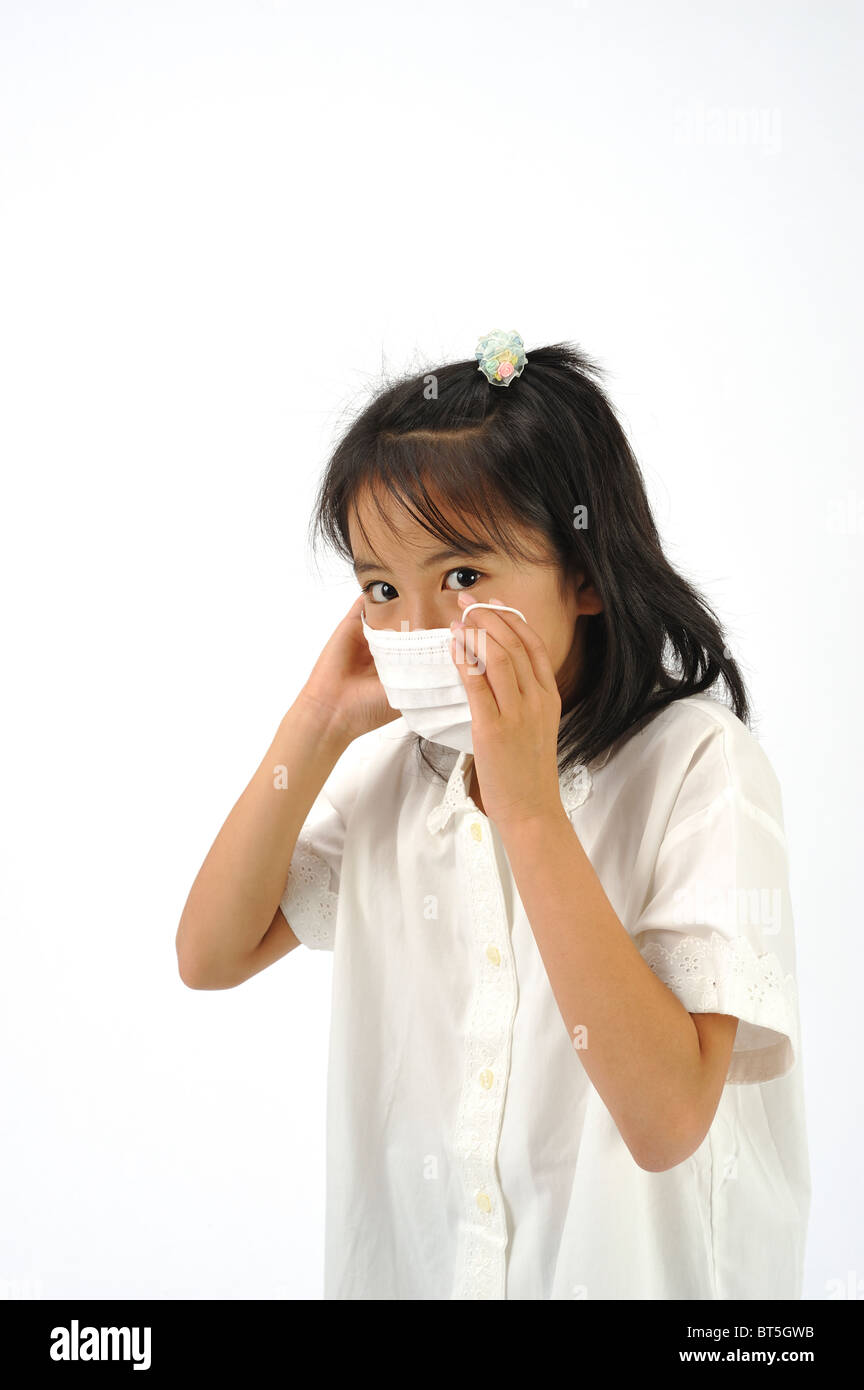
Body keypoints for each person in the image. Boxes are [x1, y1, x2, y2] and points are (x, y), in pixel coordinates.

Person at [176, 333, 810, 1300]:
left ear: (587, 574)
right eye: (382, 590)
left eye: (465, 577)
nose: (422, 629)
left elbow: (666, 1121)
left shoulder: (698, 767)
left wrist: (527, 808)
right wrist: (315, 724)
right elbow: (209, 956)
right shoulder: (400, 772)